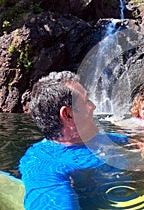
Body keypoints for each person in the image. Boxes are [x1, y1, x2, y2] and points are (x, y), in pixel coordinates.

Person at [19, 71, 137, 210]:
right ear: (68, 115)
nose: (93, 106)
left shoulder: (100, 138)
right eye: (86, 101)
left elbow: (138, 145)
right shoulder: (43, 164)